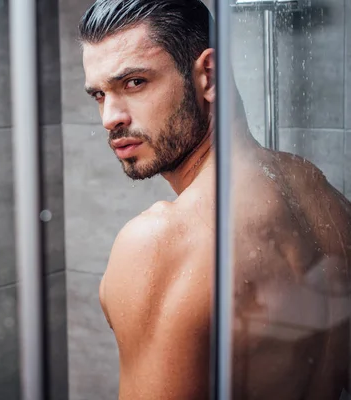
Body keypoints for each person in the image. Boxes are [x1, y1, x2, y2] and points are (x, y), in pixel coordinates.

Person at [77, 0, 351, 398]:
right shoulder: (315, 189)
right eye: (99, 95)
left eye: (134, 83)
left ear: (209, 75)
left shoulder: (159, 243)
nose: (110, 117)